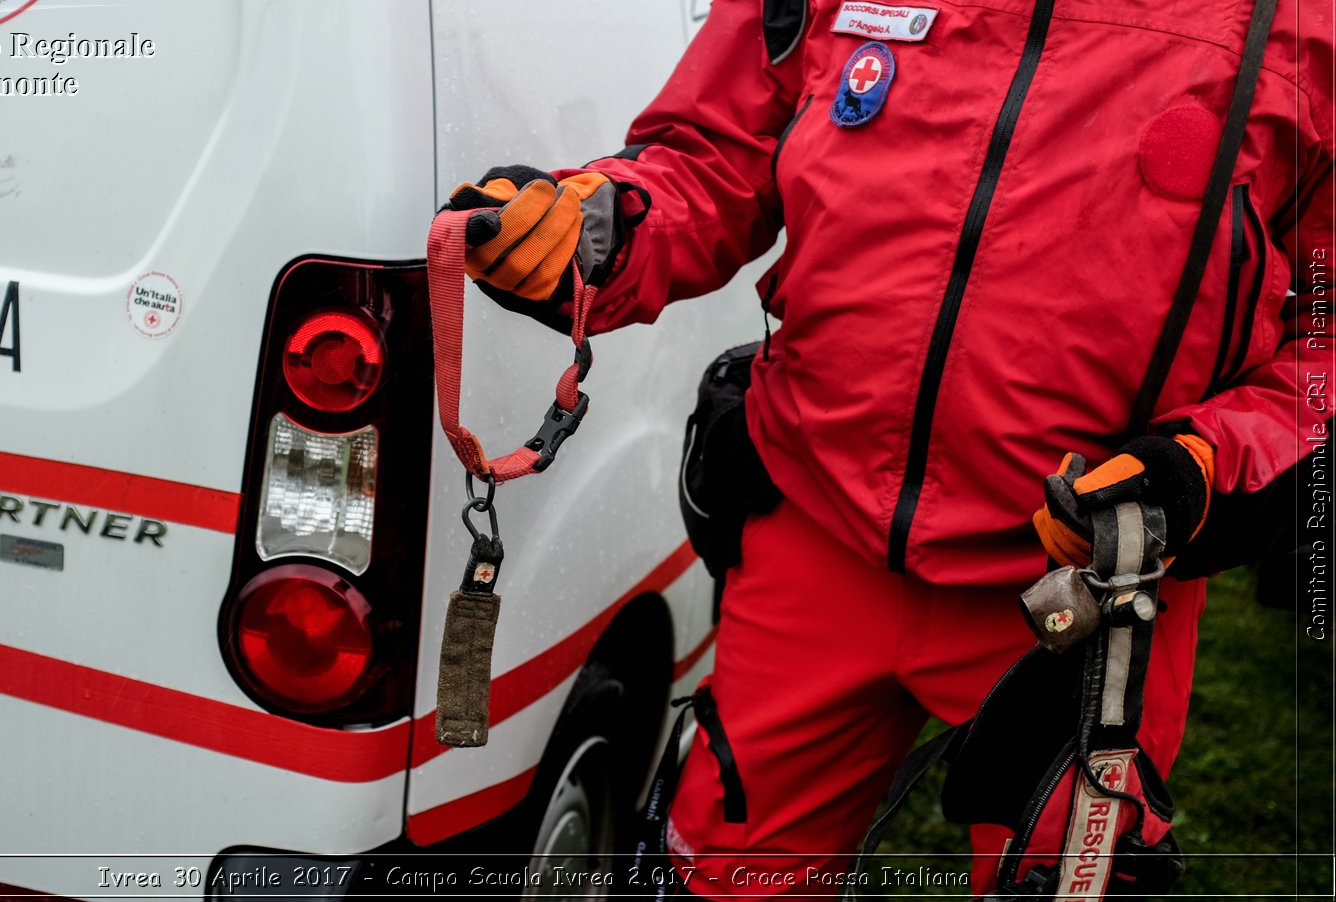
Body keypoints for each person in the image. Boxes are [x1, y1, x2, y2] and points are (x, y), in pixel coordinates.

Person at [442, 0, 1333, 897]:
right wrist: (596, 229)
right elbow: (713, 161)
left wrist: (1206, 465)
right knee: (723, 879)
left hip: (1091, 584)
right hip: (814, 531)